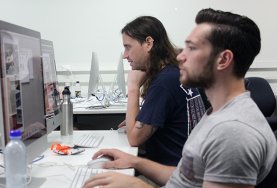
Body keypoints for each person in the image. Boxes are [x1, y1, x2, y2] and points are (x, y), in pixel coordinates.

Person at [84, 8, 277, 188]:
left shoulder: (233, 133)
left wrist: (135, 185)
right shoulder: (216, 115)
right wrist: (135, 162)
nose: (180, 56)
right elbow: (188, 178)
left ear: (223, 60)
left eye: (192, 49)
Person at [119, 16, 206, 166]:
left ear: (148, 43)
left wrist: (133, 87)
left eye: (128, 47)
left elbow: (134, 140)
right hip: (189, 167)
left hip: (173, 175)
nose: (125, 55)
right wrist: (138, 120)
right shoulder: (175, 72)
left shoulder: (164, 83)